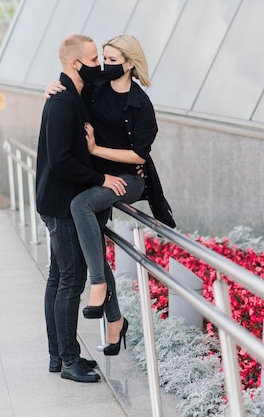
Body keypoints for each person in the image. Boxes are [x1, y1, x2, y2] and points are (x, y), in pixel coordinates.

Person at [46, 35, 158, 356]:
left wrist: (96, 149)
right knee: (92, 241)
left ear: (130, 64)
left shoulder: (140, 104)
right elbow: (72, 79)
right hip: (100, 180)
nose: (106, 66)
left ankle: (97, 285)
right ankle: (115, 321)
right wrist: (51, 89)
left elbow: (139, 155)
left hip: (128, 179)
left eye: (112, 60)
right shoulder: (97, 88)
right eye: (103, 59)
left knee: (80, 206)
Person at [35, 34, 129, 383]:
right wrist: (100, 177)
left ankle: (58, 356)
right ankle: (68, 360)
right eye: (93, 61)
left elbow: (111, 77)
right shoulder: (61, 102)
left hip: (58, 200)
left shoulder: (74, 93)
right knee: (70, 280)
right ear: (75, 64)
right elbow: (60, 160)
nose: (99, 67)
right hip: (60, 204)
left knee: (58, 278)